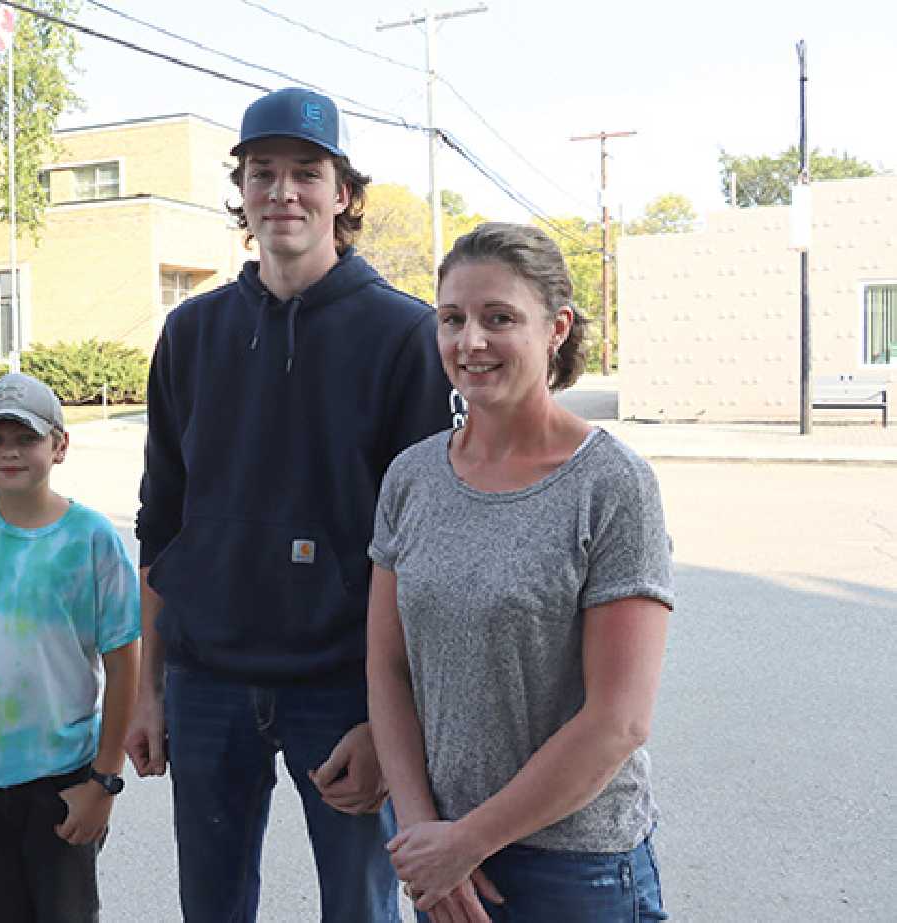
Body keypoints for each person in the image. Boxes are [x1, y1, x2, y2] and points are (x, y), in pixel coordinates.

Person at [128, 87, 459, 922]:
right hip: (208, 680)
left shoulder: (404, 336)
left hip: (343, 688)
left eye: (306, 173)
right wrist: (148, 687)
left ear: (343, 193)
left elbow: (427, 547)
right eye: (262, 172)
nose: (283, 191)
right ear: (239, 190)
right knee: (211, 904)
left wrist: (396, 724)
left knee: (359, 906)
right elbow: (161, 520)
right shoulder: (190, 333)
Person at [366, 222, 674, 922]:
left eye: (498, 318)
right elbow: (388, 667)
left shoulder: (611, 485)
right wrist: (425, 838)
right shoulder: (411, 477)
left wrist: (466, 841)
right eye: (452, 319)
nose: (469, 341)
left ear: (556, 327)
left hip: (576, 868)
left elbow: (618, 719)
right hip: (445, 858)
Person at [0, 373, 141, 923]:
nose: (10, 451)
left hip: (63, 780)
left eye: (27, 438)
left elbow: (123, 664)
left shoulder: (92, 539)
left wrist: (104, 782)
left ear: (59, 445)